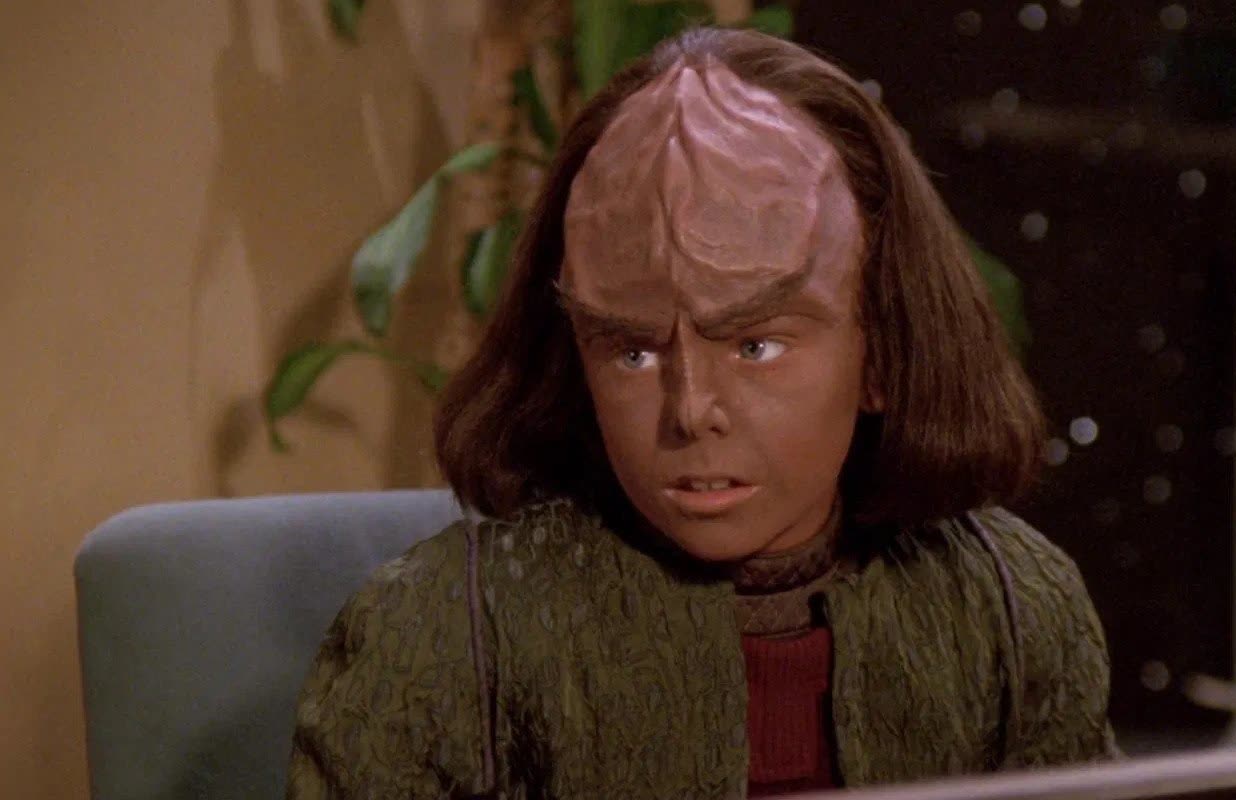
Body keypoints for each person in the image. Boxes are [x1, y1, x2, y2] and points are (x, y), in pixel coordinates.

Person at [286, 26, 1116, 800]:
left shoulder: (1012, 608)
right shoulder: (441, 633)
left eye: (755, 345)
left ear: (883, 352)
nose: (691, 411)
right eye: (632, 352)